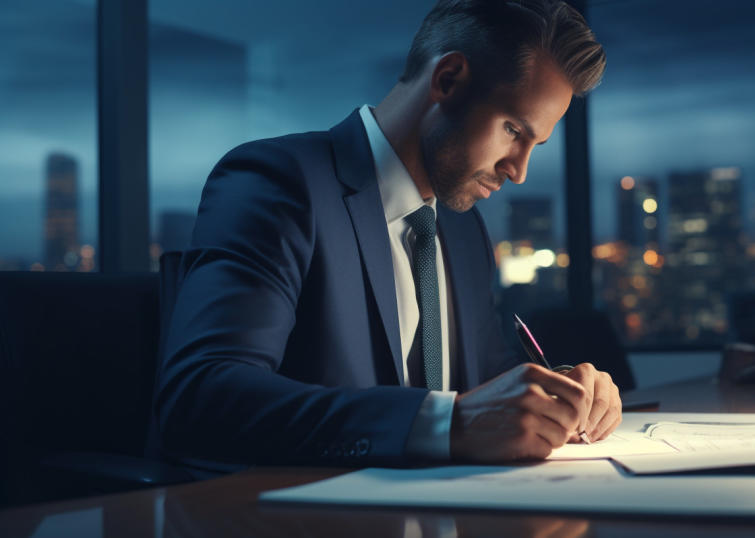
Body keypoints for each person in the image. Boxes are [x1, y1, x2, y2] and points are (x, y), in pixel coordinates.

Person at [153, 0, 621, 469]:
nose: (518, 170)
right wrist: (446, 424)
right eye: (513, 129)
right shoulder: (280, 183)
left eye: (532, 145)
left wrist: (557, 396)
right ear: (448, 80)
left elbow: (485, 384)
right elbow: (201, 395)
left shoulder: (462, 227)